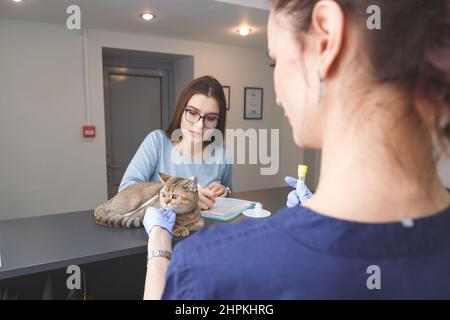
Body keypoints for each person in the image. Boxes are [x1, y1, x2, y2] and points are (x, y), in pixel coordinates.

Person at [143, 0, 450, 299]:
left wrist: (159, 249)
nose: (277, 97)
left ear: (326, 37)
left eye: (275, 61)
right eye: (193, 114)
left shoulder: (208, 269)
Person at [119, 75, 232, 210]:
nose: (199, 125)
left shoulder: (222, 155)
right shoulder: (157, 142)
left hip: (206, 229)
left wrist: (225, 192)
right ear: (181, 110)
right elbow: (125, 191)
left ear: (218, 122)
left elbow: (229, 201)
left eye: (211, 118)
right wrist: (188, 199)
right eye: (192, 112)